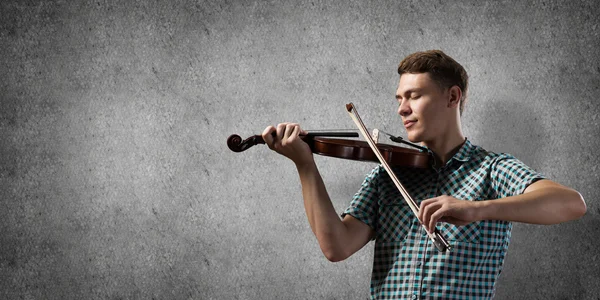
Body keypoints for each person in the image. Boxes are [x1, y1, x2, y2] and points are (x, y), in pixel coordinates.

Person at [261, 50, 586, 299]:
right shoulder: (388, 175)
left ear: (452, 97)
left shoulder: (492, 169)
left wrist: (475, 209)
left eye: (414, 96)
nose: (402, 108)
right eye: (400, 99)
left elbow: (570, 203)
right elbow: (337, 247)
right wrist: (305, 164)